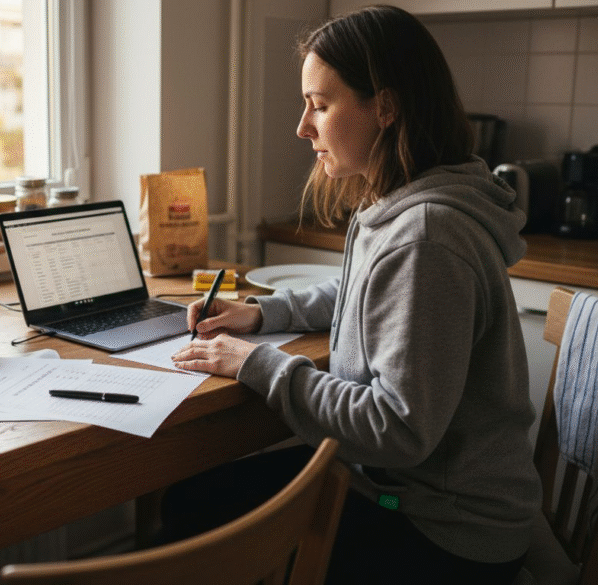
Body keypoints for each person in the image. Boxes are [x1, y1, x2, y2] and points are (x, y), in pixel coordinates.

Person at [165, 5, 541, 584]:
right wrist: (261, 314)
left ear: (384, 108)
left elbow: (397, 430)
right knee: (195, 501)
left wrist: (256, 364)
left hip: (444, 530)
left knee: (194, 512)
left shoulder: (427, 237)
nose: (303, 127)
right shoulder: (407, 206)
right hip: (404, 493)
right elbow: (364, 289)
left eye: (319, 104)